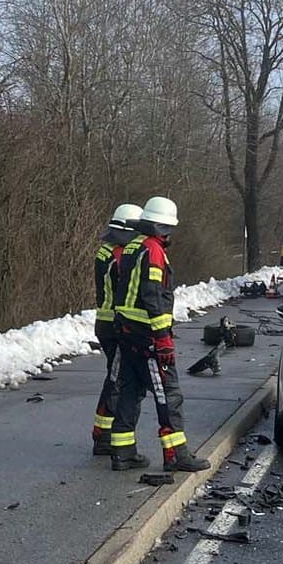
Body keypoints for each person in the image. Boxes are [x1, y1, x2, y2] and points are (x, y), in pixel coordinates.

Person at [108, 196, 210, 475]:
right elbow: (153, 294)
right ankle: (176, 454)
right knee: (169, 394)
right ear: (161, 227)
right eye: (168, 228)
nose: (170, 234)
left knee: (131, 390)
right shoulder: (152, 250)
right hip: (148, 337)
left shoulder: (131, 246)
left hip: (127, 332)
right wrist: (163, 338)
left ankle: (123, 451)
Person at [91, 203, 143, 455]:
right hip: (115, 325)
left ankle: (104, 431)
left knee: (115, 377)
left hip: (106, 323)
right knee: (117, 379)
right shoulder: (119, 255)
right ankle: (103, 436)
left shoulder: (106, 251)